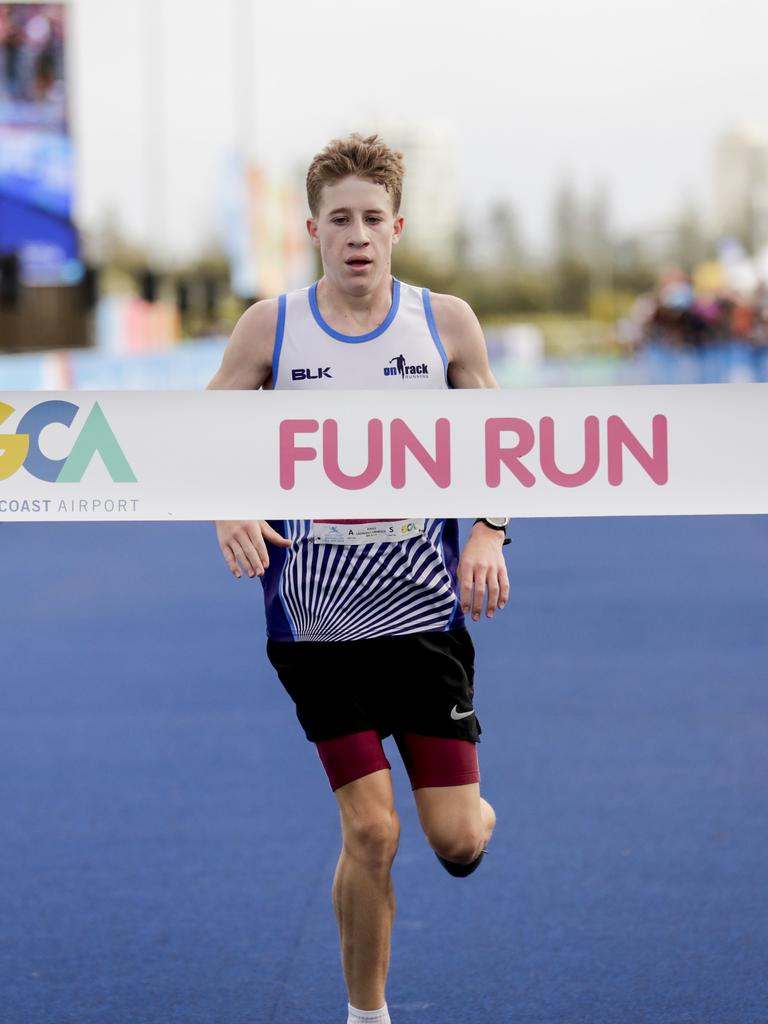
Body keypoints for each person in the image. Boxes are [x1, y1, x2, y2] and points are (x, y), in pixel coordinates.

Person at [207, 133, 509, 1024]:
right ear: (313, 229)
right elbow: (200, 436)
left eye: (372, 219)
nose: (357, 236)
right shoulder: (272, 327)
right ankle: (365, 1015)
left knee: (455, 842)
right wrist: (227, 503)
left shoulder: (445, 322)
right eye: (339, 219)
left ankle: (470, 812)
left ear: (398, 226)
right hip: (315, 622)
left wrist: (489, 529)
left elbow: (499, 442)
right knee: (371, 829)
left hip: (423, 617)